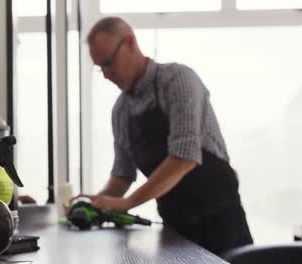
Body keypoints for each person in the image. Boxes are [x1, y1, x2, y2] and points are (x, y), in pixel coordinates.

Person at [77, 16, 253, 255]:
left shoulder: (178, 80)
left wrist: (126, 204)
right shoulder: (121, 110)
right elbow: (122, 174)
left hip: (221, 223)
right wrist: (93, 202)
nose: (106, 74)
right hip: (175, 229)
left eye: (108, 62)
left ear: (130, 43)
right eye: (100, 68)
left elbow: (184, 158)